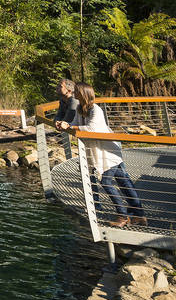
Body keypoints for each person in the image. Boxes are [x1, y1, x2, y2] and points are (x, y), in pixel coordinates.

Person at [56, 82, 146, 228]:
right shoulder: (80, 108)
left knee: (106, 182)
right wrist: (64, 125)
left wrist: (71, 126)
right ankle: (139, 216)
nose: (74, 94)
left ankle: (123, 216)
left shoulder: (95, 109)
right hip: (100, 151)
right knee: (123, 181)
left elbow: (92, 128)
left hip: (109, 151)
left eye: (77, 92)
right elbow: (74, 123)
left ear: (83, 93)